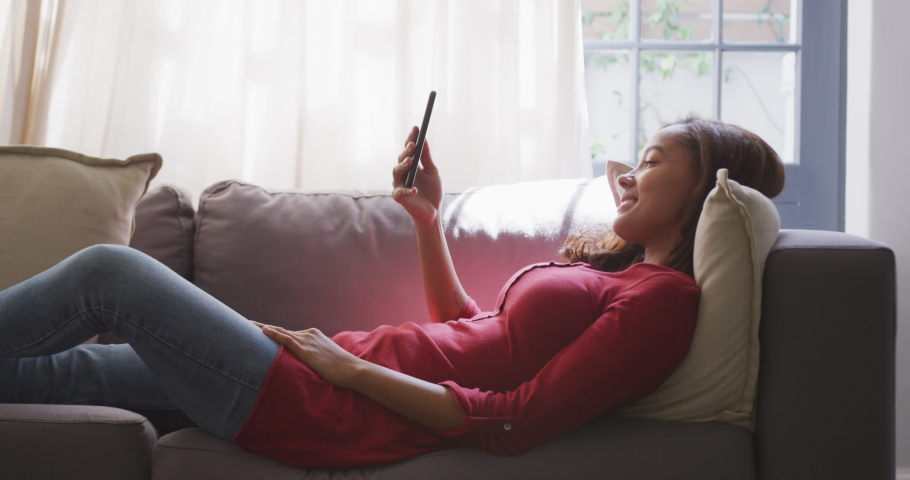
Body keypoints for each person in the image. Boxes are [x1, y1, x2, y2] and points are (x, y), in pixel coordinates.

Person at [0, 117, 785, 469]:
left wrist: (347, 373)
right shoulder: (617, 275)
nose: (626, 174)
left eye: (651, 160)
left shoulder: (665, 302)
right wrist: (425, 219)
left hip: (328, 402)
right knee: (53, 377)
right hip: (327, 368)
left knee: (113, 274)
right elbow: (478, 337)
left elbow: (510, 418)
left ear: (707, 184)